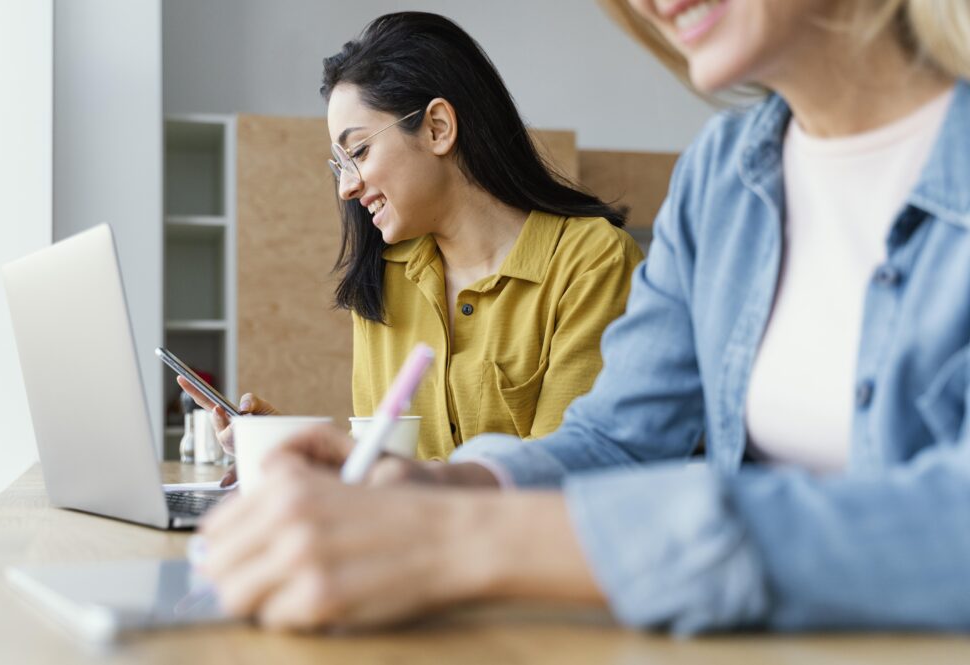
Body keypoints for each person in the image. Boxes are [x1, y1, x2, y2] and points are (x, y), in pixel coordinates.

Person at [195, 0, 970, 633]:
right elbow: (617, 439)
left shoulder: (590, 254)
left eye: (358, 153)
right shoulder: (719, 178)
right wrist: (444, 489)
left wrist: (461, 539)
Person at [179, 11, 644, 463]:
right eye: (340, 163)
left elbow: (564, 473)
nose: (346, 186)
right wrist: (295, 453)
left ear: (437, 127)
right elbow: (381, 472)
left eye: (358, 150)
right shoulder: (384, 281)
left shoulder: (590, 261)